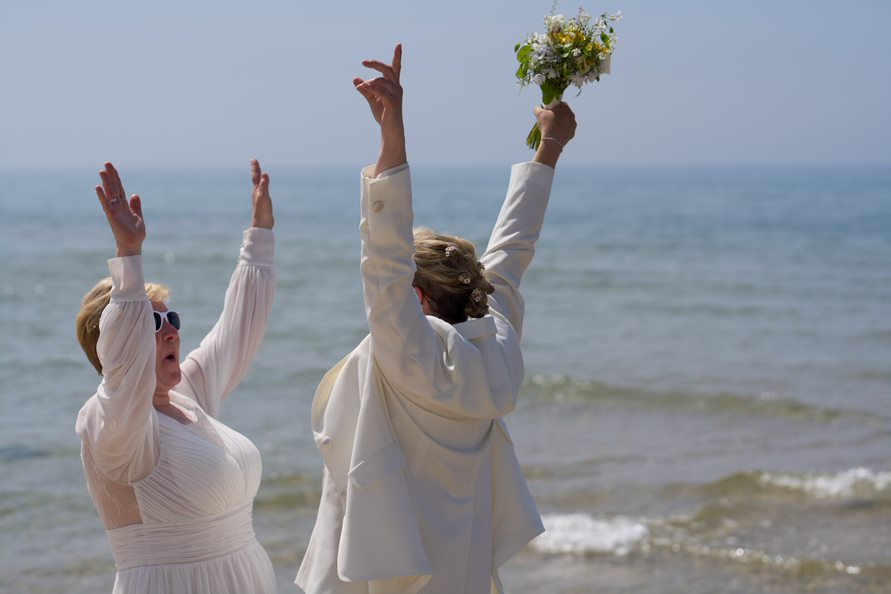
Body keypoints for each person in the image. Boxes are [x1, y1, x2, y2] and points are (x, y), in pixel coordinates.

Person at [296, 44, 577, 594]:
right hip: (465, 573)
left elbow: (383, 257)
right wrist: (550, 147)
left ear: (418, 299)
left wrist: (392, 136)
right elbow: (513, 251)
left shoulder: (412, 356)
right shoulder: (496, 342)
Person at [75, 160, 277, 594]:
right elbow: (124, 366)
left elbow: (235, 332)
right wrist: (128, 254)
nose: (171, 329)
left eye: (172, 317)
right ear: (115, 344)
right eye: (152, 322)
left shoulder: (185, 395)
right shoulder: (113, 427)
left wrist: (259, 237)